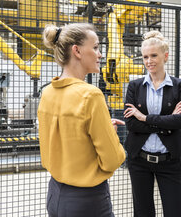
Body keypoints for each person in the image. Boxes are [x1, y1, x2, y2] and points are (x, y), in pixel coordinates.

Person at [38, 23, 126, 217]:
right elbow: (112, 161)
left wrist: (99, 129)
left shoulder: (47, 93)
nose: (100, 54)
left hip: (55, 195)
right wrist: (110, 134)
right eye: (95, 47)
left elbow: (62, 140)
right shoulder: (91, 95)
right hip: (88, 201)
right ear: (77, 51)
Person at [123, 30, 181, 217]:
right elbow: (131, 124)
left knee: (174, 211)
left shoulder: (179, 86)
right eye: (145, 56)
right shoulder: (135, 86)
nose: (149, 61)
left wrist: (145, 118)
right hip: (139, 160)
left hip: (169, 160)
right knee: (143, 212)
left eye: (154, 55)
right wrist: (169, 121)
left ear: (165, 56)